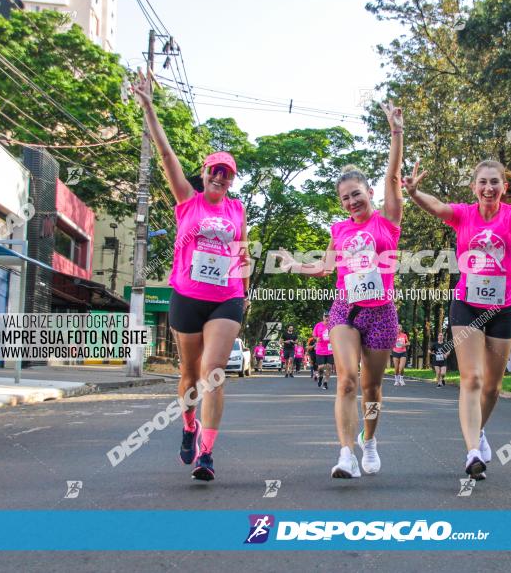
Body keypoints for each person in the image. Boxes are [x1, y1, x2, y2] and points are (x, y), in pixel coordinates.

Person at [403, 158, 511, 480]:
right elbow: (437, 207)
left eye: (494, 182)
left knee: (492, 387)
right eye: (482, 182)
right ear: (474, 187)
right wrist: (414, 193)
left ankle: (479, 431)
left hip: (504, 306)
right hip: (467, 304)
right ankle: (472, 452)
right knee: (471, 379)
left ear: (504, 187)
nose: (488, 188)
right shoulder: (463, 215)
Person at [131, 70, 250, 482]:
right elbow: (165, 157)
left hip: (226, 297)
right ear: (205, 173)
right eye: (214, 170)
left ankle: (207, 453)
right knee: (189, 374)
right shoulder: (188, 201)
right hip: (187, 294)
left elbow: (243, 251)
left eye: (227, 173)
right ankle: (188, 424)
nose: (220, 176)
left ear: (232, 180)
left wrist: (245, 292)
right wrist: (148, 105)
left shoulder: (237, 211)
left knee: (213, 371)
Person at [279, 100, 405, 478]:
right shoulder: (339, 230)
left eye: (356, 193)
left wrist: (396, 132)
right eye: (345, 197)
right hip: (346, 310)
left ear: (369, 192)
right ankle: (345, 454)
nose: (351, 201)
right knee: (347, 379)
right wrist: (296, 266)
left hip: (382, 313)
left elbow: (394, 179)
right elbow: (326, 268)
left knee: (372, 389)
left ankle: (370, 442)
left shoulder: (388, 221)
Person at [311, 313, 333, 390]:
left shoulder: (333, 324)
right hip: (320, 349)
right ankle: (320, 377)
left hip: (330, 349)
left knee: (329, 367)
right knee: (321, 367)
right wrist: (316, 338)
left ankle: (325, 382)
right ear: (323, 317)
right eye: (325, 316)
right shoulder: (318, 325)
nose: (327, 318)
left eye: (328, 316)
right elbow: (313, 335)